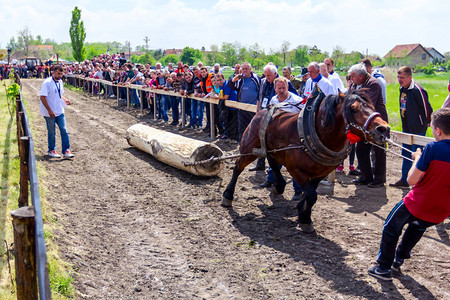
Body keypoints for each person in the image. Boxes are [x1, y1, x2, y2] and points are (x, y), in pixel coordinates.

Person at [368, 108, 450, 281]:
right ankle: (398, 260)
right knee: (417, 227)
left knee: (390, 228)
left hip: (418, 203)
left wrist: (417, 159)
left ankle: (383, 267)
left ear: (438, 131)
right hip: (441, 210)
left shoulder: (432, 148)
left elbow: (411, 180)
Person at [260, 77, 304, 200]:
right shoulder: (274, 100)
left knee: (294, 166)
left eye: (283, 88)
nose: (281, 90)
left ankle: (298, 191)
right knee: (273, 160)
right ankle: (271, 180)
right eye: (279, 88)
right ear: (275, 89)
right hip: (277, 139)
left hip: (292, 140)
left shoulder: (297, 101)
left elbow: (304, 118)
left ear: (287, 87)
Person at [390, 66, 433, 188]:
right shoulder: (402, 89)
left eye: (402, 77)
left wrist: (428, 121)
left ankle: (419, 182)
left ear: (410, 77)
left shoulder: (417, 90)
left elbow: (427, 108)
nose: (400, 80)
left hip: (418, 128)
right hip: (407, 128)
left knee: (418, 156)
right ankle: (405, 180)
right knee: (406, 153)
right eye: (398, 77)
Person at [348, 63, 388, 188]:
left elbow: (365, 102)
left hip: (377, 122)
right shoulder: (355, 84)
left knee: (378, 150)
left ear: (361, 76)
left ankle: (379, 179)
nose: (351, 78)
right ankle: (366, 176)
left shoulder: (373, 84)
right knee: (361, 149)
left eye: (353, 76)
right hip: (364, 123)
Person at [39, 65, 74, 158]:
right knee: (52, 131)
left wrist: (65, 100)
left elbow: (60, 94)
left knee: (64, 130)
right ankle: (51, 150)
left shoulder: (60, 82)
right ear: (53, 72)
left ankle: (66, 150)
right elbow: (42, 97)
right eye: (58, 73)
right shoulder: (47, 83)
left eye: (61, 74)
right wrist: (49, 110)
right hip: (49, 112)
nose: (60, 76)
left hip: (59, 110)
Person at [227, 62, 261, 140]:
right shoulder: (240, 79)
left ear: (250, 69)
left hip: (253, 107)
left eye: (246, 69)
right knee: (242, 127)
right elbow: (231, 87)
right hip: (242, 108)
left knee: (254, 126)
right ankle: (241, 142)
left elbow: (260, 91)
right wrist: (233, 80)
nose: (244, 70)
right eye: (243, 69)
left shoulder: (255, 78)